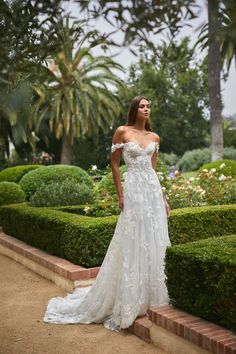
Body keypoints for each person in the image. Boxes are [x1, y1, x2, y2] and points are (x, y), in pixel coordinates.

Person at [44, 95, 171, 332]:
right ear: (134, 109)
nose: (146, 109)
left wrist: (162, 198)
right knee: (133, 237)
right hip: (133, 188)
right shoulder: (123, 132)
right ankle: (130, 297)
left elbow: (154, 168)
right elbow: (114, 163)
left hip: (152, 192)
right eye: (142, 106)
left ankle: (153, 297)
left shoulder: (155, 138)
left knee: (154, 238)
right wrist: (121, 194)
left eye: (148, 106)